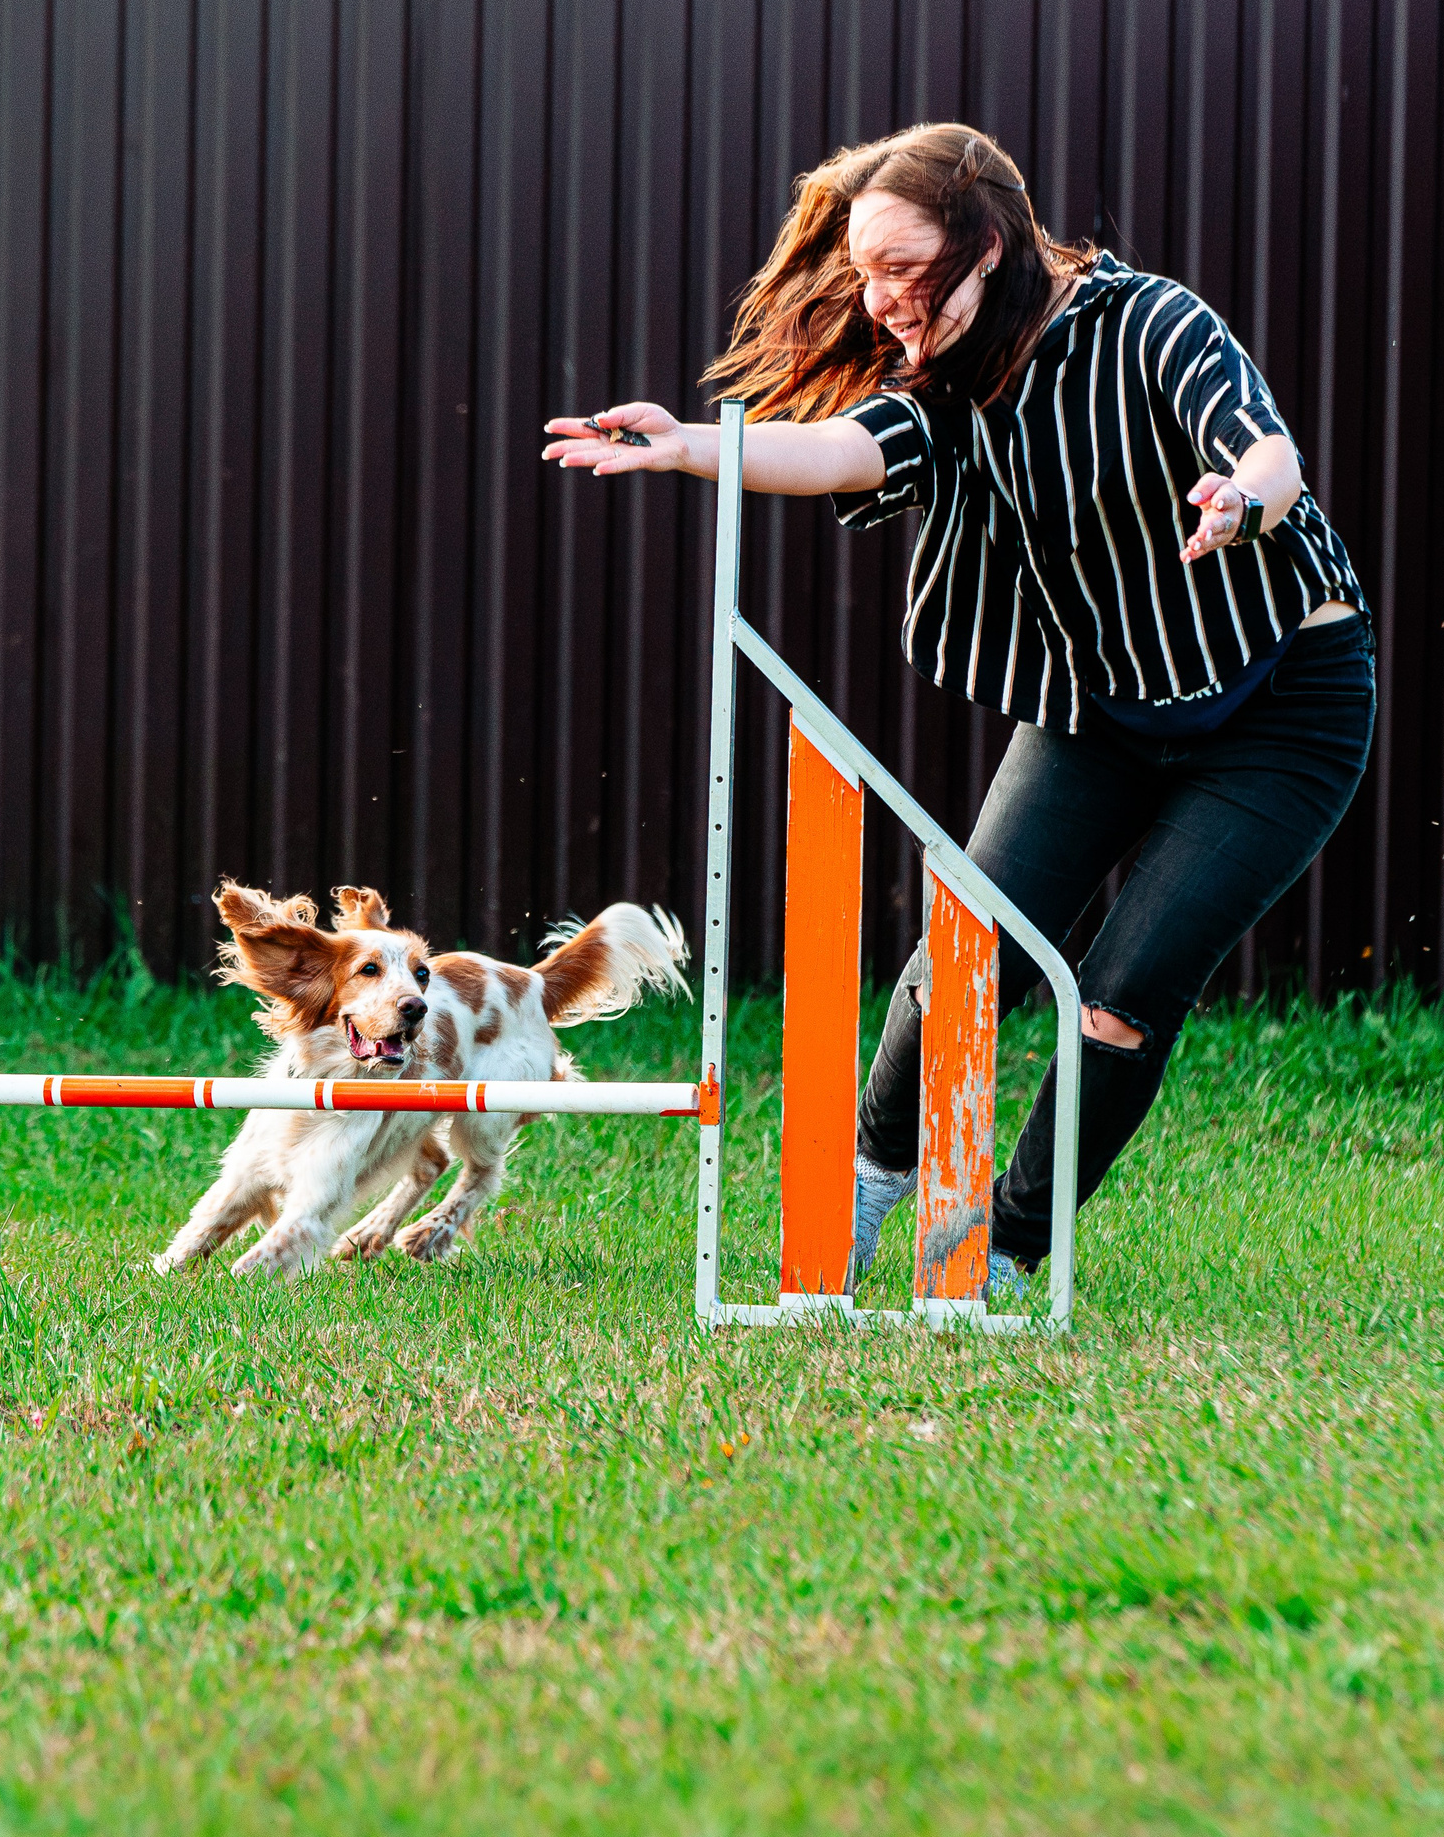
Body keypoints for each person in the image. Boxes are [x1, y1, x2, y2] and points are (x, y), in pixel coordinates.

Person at [542, 122, 1373, 1302]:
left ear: (986, 248)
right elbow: (842, 452)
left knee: (1123, 998)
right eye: (863, 271)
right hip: (1098, 704)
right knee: (963, 958)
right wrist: (691, 448)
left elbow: (1267, 446)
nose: (877, 299)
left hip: (1280, 701)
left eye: (900, 267)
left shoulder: (1148, 325)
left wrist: (1239, 497)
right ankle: (872, 1185)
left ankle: (1007, 1247)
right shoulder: (945, 380)